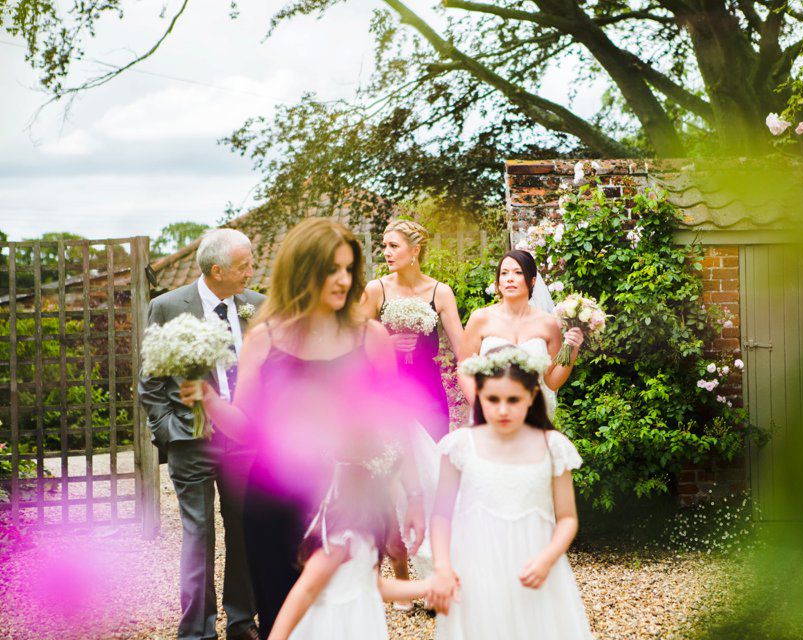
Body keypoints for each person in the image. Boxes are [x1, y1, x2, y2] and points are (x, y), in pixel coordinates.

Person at [179, 218, 426, 637]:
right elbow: (247, 430)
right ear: (303, 270)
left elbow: (394, 426)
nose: (344, 279)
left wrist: (415, 496)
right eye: (332, 268)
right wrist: (210, 402)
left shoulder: (371, 337)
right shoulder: (265, 338)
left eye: (349, 268)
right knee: (282, 618)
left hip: (348, 500)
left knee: (345, 615)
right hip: (273, 502)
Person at [139, 228, 262, 640]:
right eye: (244, 265)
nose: (251, 271)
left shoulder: (257, 306)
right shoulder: (168, 307)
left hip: (243, 439)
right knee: (198, 531)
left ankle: (242, 620)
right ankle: (197, 630)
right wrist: (169, 433)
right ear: (217, 270)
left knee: (244, 526)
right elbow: (151, 383)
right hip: (190, 441)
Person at [429, 346, 594, 639]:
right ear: (479, 395)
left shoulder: (552, 446)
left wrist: (547, 559)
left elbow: (567, 517)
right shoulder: (459, 445)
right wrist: (442, 568)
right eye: (493, 399)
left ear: (532, 396)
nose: (502, 409)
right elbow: (441, 515)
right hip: (475, 567)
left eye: (513, 400)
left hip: (535, 564)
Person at [267, 431, 437, 640]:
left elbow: (373, 585)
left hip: (361, 626)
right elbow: (305, 591)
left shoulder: (368, 532)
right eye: (391, 490)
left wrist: (428, 586)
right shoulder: (343, 537)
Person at [361, 219, 464, 442]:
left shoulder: (440, 292)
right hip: (388, 390)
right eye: (385, 246)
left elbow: (462, 351)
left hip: (430, 390)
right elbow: (356, 345)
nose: (387, 252)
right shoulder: (376, 290)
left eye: (394, 246)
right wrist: (386, 343)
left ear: (415, 250)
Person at [459, 250, 583, 419]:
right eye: (504, 273)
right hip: (489, 414)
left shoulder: (548, 324)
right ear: (498, 282)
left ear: (532, 281)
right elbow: (463, 369)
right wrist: (483, 405)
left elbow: (552, 382)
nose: (510, 278)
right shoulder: (480, 318)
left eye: (518, 272)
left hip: (533, 414)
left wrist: (572, 348)